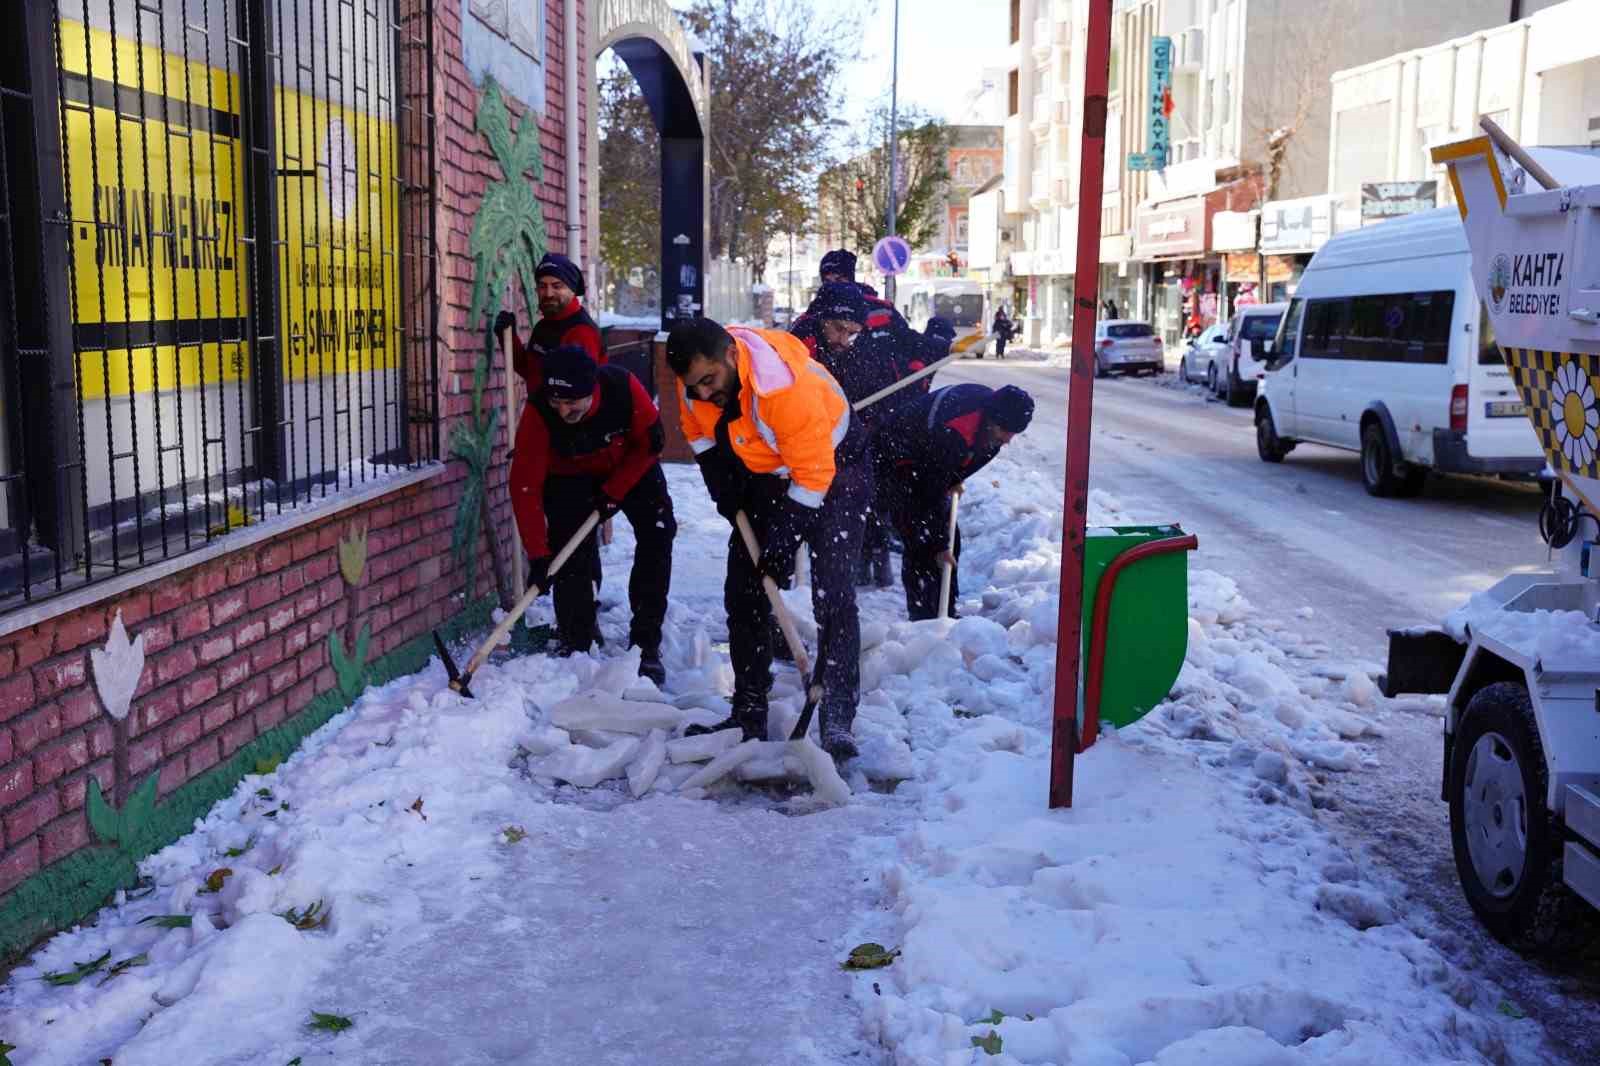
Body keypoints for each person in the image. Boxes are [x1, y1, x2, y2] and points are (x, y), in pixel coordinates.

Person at [666, 317, 869, 760]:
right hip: (768, 467)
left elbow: (813, 476)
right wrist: (719, 479)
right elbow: (698, 433)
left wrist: (783, 541)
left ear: (731, 356)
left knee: (833, 592)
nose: (702, 393)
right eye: (693, 385)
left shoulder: (783, 390)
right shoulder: (695, 385)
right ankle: (748, 711)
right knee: (744, 590)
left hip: (837, 466)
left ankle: (837, 715)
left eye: (709, 380)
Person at [508, 346, 676, 684]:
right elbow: (525, 485)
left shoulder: (622, 389)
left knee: (657, 534)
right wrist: (538, 555)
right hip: (570, 476)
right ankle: (577, 644)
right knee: (568, 553)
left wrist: (615, 492)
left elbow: (652, 443)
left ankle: (646, 643)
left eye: (572, 402)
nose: (562, 410)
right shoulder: (539, 412)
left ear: (592, 390)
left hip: (631, 466)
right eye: (556, 401)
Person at [875, 383, 1035, 620]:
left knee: (949, 541)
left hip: (928, 465)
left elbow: (958, 467)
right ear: (993, 419)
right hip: (896, 462)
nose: (1008, 439)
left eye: (1013, 433)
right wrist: (939, 545)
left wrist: (954, 477)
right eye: (1005, 431)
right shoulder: (956, 429)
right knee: (922, 542)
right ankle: (924, 621)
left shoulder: (991, 430)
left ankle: (946, 614)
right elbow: (929, 492)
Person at [493, 252, 605, 386]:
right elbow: (530, 371)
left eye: (557, 286)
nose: (548, 293)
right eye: (542, 286)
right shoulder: (543, 326)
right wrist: (508, 337)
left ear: (572, 289)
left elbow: (584, 392)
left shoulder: (581, 332)